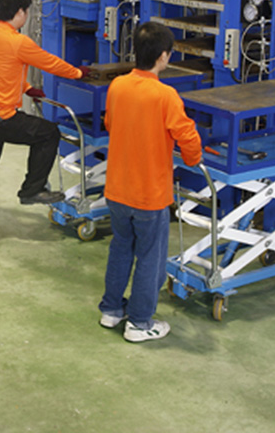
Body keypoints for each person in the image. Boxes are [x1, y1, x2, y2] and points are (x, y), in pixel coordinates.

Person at [98, 22, 202, 343]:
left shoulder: (117, 86)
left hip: (117, 189)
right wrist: (193, 159)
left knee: (120, 249)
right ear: (163, 56)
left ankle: (111, 310)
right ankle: (140, 323)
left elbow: (110, 123)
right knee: (150, 257)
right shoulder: (165, 95)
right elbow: (188, 138)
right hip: (149, 195)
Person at [0, 0, 90, 243]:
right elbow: (49, 62)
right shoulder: (18, 41)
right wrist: (78, 73)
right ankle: (32, 188)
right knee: (48, 133)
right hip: (0, 118)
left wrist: (27, 88)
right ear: (20, 12)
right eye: (27, 11)